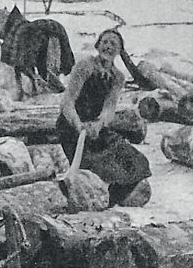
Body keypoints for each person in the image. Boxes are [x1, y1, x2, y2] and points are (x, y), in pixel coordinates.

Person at [57, 28, 151, 207]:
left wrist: (99, 125)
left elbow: (109, 109)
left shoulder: (117, 77)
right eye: (105, 42)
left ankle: (110, 199)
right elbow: (67, 102)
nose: (108, 47)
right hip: (71, 127)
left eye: (113, 44)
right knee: (86, 168)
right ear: (98, 45)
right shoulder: (85, 66)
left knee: (135, 161)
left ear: (119, 50)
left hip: (95, 128)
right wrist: (79, 125)